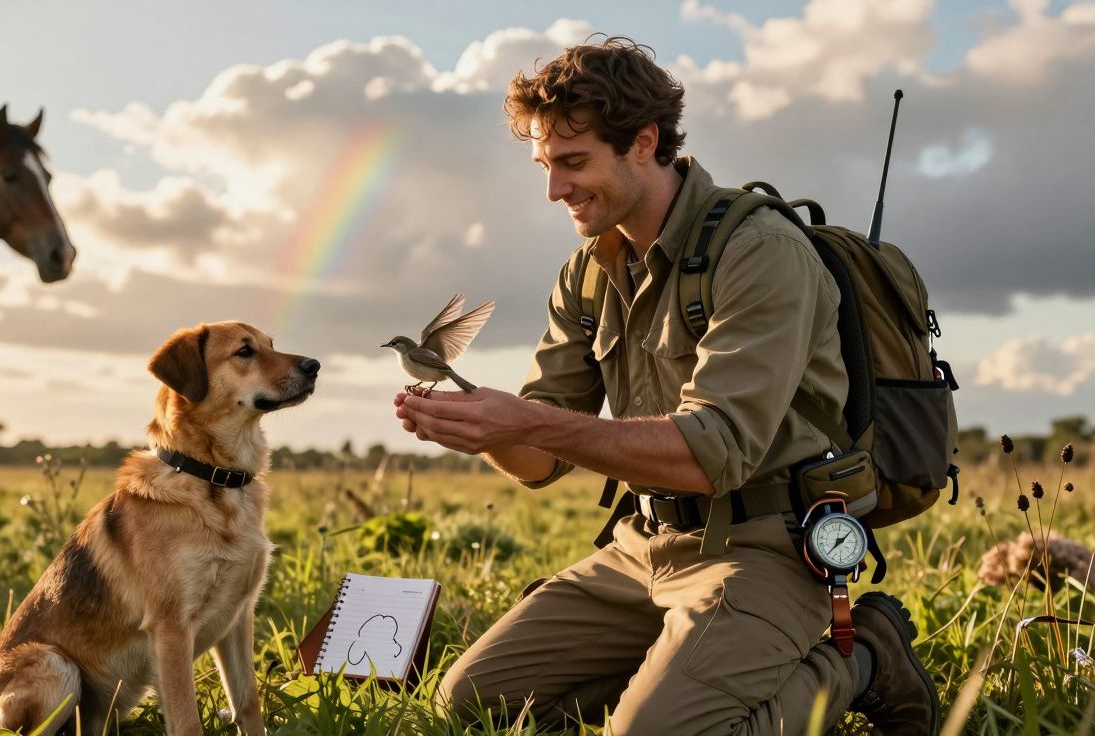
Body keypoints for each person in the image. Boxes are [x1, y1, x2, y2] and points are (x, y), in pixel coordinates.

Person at [393, 36, 938, 735]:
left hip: (766, 550)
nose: (554, 189)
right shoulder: (587, 272)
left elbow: (712, 454)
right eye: (544, 165)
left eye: (573, 162)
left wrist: (527, 424)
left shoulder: (760, 251)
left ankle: (861, 657)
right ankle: (677, 669)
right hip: (642, 545)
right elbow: (541, 461)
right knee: (469, 701)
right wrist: (484, 429)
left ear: (644, 142)